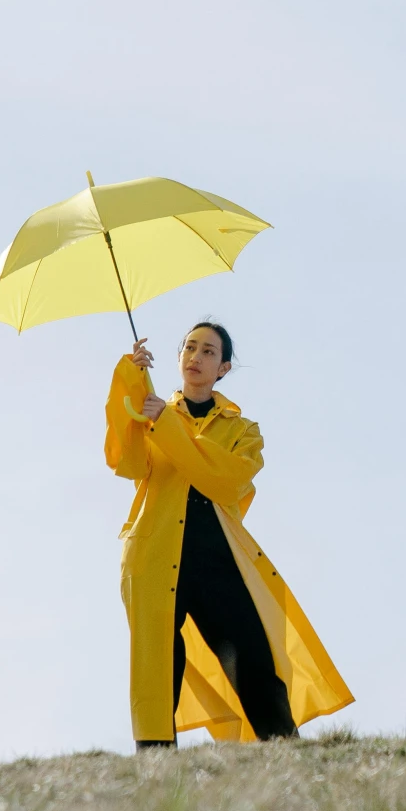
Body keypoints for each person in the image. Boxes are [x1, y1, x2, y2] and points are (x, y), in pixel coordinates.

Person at [105, 319, 353, 750]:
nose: (195, 357)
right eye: (189, 348)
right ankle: (156, 762)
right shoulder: (150, 410)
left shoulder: (242, 431)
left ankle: (284, 750)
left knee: (251, 652)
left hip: (218, 557)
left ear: (223, 368)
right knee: (159, 662)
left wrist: (166, 423)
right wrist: (129, 382)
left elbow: (223, 479)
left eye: (208, 351)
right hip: (153, 554)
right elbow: (126, 464)